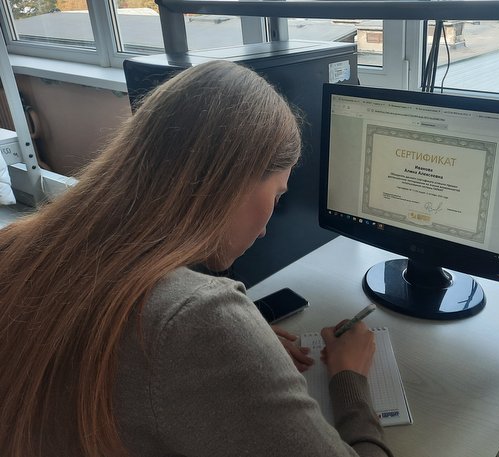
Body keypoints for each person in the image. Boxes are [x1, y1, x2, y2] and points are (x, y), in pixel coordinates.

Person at [0, 60, 393, 457]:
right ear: (235, 180)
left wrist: (239, 347)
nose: (265, 230)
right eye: (277, 195)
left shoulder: (15, 247)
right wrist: (349, 377)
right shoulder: (197, 320)